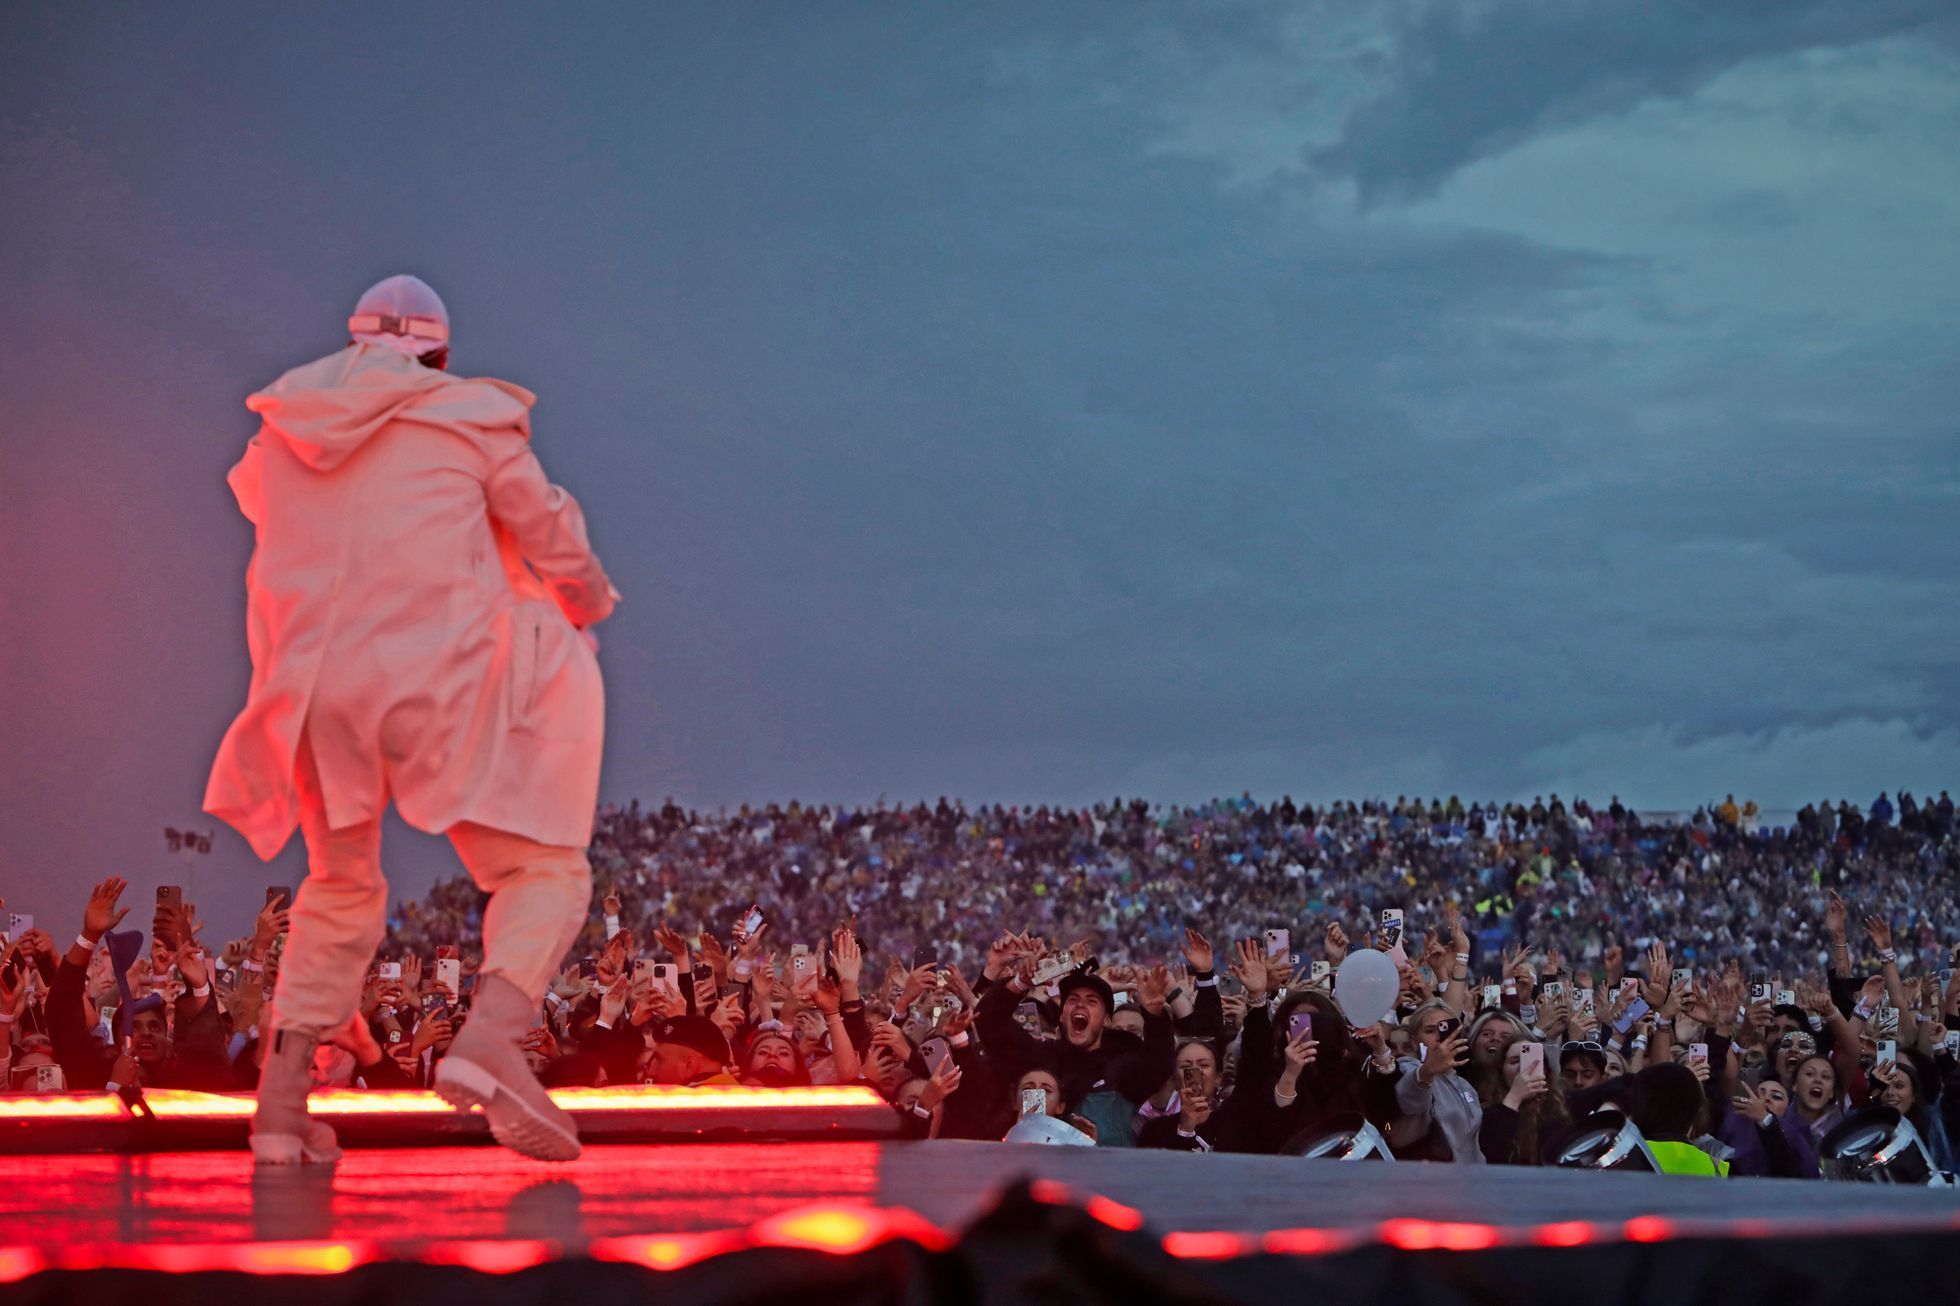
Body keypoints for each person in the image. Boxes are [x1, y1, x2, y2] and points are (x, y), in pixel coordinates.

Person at [204, 274, 619, 1165]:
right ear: (440, 355)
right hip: (440, 680)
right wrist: (586, 602)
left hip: (310, 691)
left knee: (341, 886)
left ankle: (278, 1114)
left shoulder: (284, 430)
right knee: (542, 867)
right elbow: (547, 535)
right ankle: (493, 1038)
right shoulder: (467, 416)